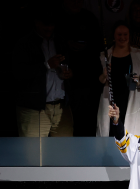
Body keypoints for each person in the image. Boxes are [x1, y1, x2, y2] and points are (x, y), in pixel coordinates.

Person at [14, 5, 74, 137]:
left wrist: (69, 73)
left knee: (64, 153)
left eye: (52, 24)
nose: (49, 28)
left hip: (61, 107)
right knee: (34, 155)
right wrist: (46, 65)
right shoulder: (24, 44)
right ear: (36, 23)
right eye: (45, 24)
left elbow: (70, 64)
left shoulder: (60, 41)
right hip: (34, 110)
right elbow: (17, 74)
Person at [56, 0, 103, 137]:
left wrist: (86, 46)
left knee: (90, 124)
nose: (76, 2)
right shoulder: (59, 19)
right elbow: (54, 47)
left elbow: (98, 49)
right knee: (70, 127)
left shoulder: (89, 18)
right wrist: (67, 43)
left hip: (90, 82)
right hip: (65, 85)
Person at [97, 21, 140, 137]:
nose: (122, 37)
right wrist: (104, 75)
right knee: (110, 134)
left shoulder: (139, 54)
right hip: (111, 100)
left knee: (132, 136)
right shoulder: (105, 55)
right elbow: (99, 80)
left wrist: (139, 83)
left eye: (125, 34)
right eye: (119, 34)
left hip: (132, 99)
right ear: (114, 36)